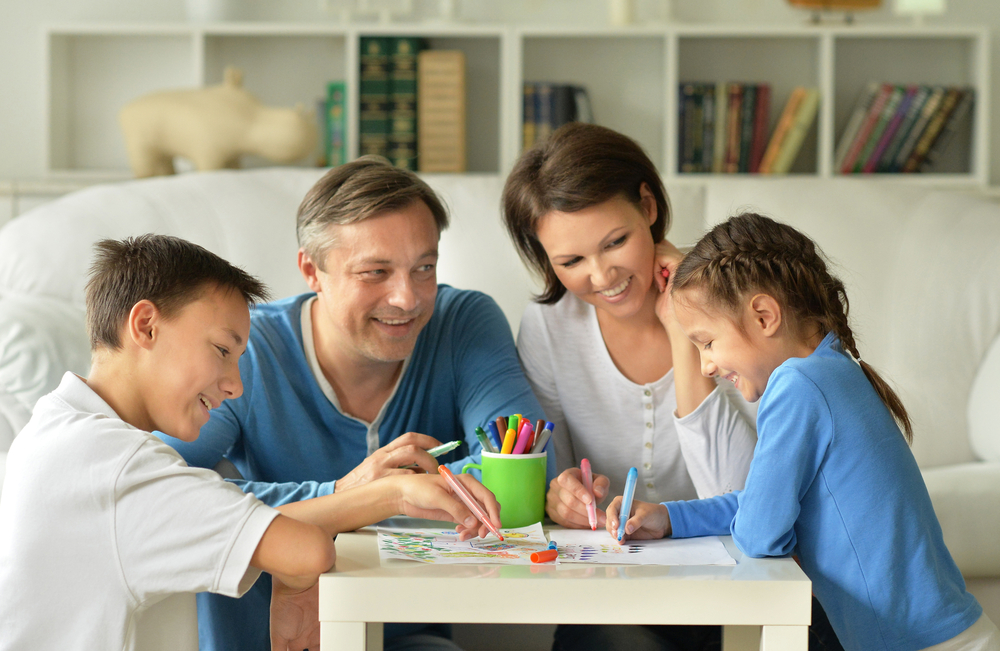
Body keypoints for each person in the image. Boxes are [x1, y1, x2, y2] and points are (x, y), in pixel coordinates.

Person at [0, 235, 502, 651]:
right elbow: (302, 550)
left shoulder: (57, 430)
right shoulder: (116, 465)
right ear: (145, 325)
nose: (235, 385)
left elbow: (279, 544)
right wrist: (390, 495)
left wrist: (293, 566)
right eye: (221, 350)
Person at [159, 157, 553, 651]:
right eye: (376, 272)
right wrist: (351, 495)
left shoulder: (463, 322)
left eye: (424, 268)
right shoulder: (249, 349)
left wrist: (390, 493)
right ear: (311, 270)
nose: (407, 299)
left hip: (410, 637)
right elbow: (163, 496)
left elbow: (526, 465)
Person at [607, 213, 1000, 651]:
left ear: (763, 315)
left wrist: (766, 524)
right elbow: (763, 504)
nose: (705, 366)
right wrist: (669, 518)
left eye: (707, 342)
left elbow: (760, 533)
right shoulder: (832, 371)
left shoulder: (798, 385)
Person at [503, 123, 758, 651]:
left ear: (647, 206)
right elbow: (561, 482)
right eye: (570, 261)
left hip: (732, 584)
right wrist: (563, 496)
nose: (601, 277)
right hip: (609, 593)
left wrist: (682, 329)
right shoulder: (550, 328)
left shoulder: (739, 304)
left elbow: (737, 498)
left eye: (614, 242)